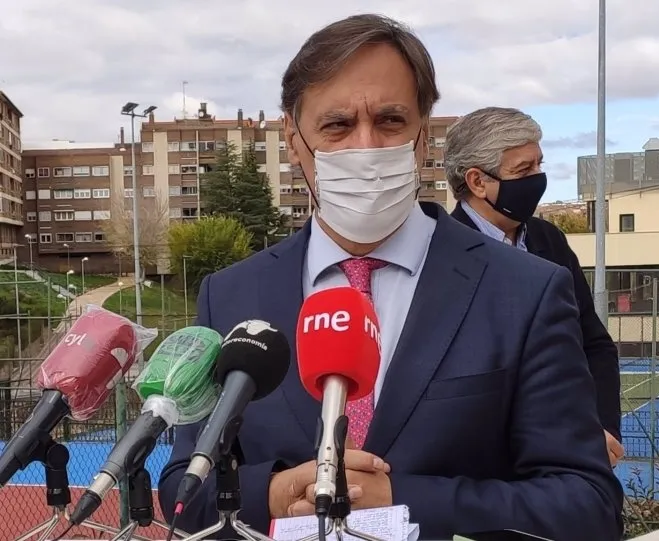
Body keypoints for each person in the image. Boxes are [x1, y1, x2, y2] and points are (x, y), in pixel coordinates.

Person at [159, 14, 623, 541]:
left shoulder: (525, 291)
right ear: (294, 139)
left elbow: (587, 505)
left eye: (390, 121)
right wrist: (273, 493)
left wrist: (401, 499)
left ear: (423, 134)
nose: (366, 146)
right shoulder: (231, 296)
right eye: (336, 126)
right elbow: (184, 492)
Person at [444, 107, 625, 466]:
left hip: (568, 460)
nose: (538, 179)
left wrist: (603, 428)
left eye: (539, 165)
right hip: (484, 468)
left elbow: (593, 344)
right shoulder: (439, 253)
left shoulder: (550, 240)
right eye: (523, 170)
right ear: (478, 181)